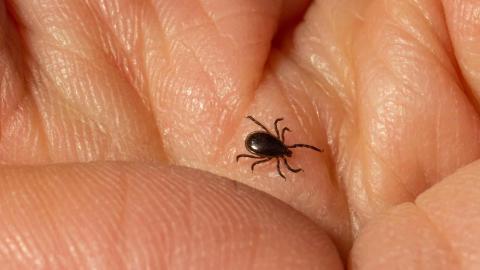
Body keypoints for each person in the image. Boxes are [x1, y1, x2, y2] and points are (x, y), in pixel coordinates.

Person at [0, 0, 478, 268]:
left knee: (260, 145)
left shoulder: (271, 147)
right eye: (284, 148)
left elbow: (263, 144)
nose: (284, 150)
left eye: (284, 149)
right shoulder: (278, 149)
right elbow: (271, 146)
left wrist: (264, 150)